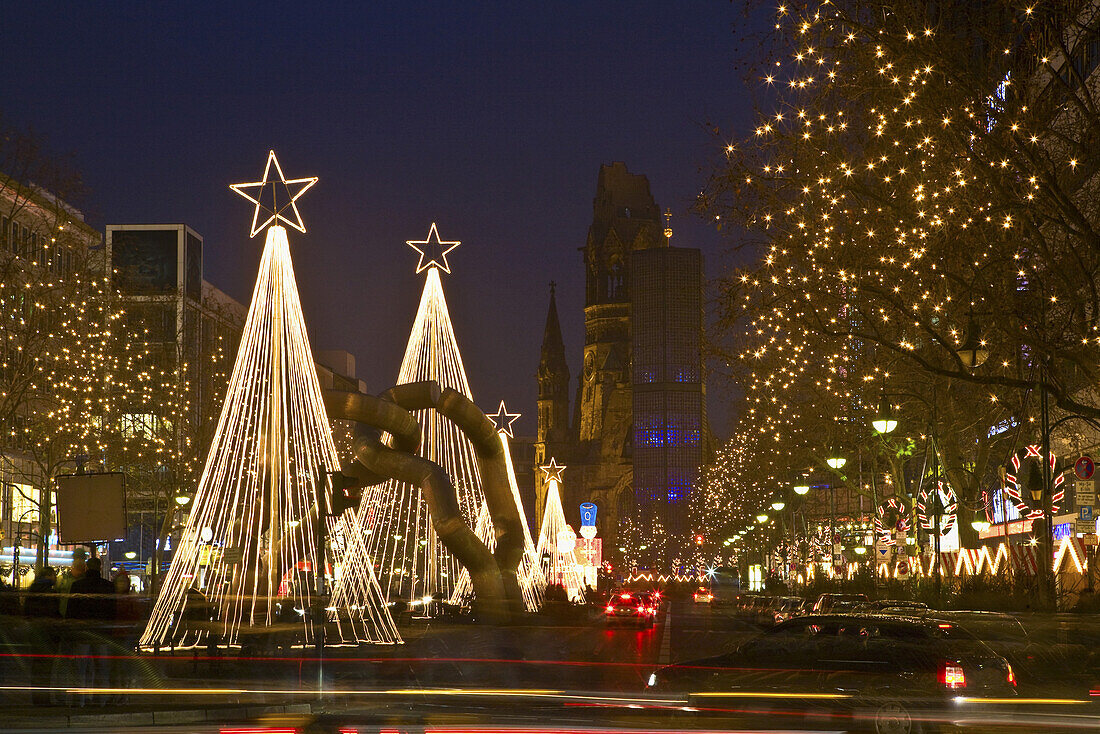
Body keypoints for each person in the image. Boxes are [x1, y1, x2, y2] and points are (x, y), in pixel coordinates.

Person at [67, 557, 116, 705]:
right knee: (102, 668)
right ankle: (101, 700)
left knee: (81, 668)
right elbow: (112, 611)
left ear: (87, 568)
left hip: (82, 631)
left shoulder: (77, 586)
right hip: (101, 632)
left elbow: (71, 610)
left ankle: (80, 700)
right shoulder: (108, 586)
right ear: (100, 568)